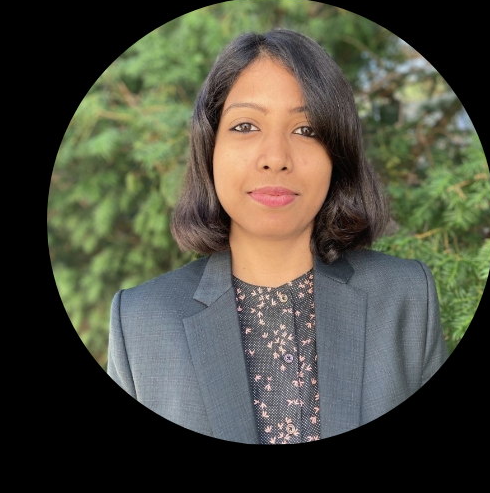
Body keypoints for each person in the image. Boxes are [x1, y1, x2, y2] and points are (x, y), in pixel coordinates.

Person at [107, 28, 449, 444]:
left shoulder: (405, 299)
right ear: (209, 147)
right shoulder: (141, 320)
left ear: (336, 155)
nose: (275, 159)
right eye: (246, 125)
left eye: (306, 130)